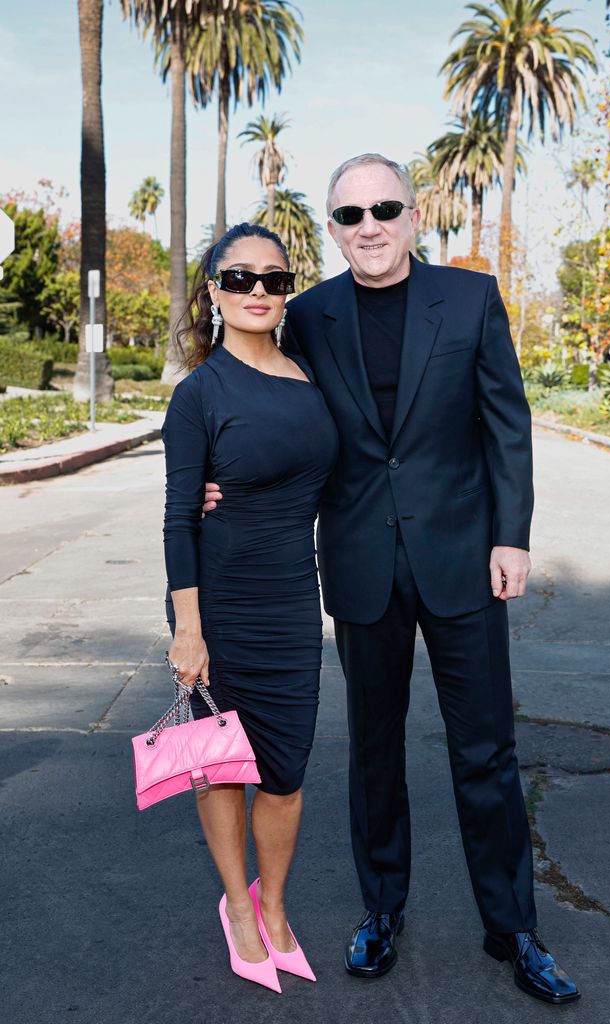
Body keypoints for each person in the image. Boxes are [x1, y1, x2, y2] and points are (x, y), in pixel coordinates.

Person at [204, 154, 579, 1006]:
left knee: (485, 749)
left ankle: (513, 927)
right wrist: (212, 472)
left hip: (462, 561)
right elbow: (255, 396)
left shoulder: (471, 298)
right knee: (372, 752)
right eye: (348, 215)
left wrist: (510, 536)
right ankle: (381, 910)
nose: (367, 225)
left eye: (383, 209)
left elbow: (505, 426)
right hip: (360, 565)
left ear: (413, 216)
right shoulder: (308, 316)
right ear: (332, 229)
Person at [162, 222, 338, 994]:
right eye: (238, 279)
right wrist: (187, 629)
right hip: (223, 604)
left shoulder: (310, 376)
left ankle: (275, 904)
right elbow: (176, 518)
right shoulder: (198, 393)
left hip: (295, 602)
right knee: (221, 767)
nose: (257, 291)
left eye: (272, 278)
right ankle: (238, 906)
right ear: (212, 292)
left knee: (287, 772)